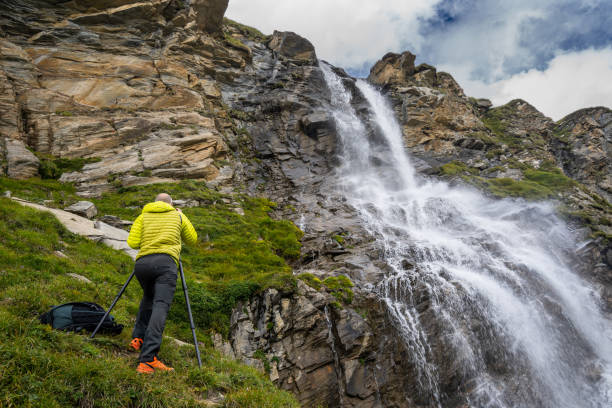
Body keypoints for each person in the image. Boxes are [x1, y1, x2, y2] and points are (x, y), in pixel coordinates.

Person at [126, 192, 198, 374]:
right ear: (171, 204)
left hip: (142, 265)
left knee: (148, 298)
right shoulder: (178, 215)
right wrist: (181, 216)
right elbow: (192, 239)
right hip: (165, 264)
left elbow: (132, 242)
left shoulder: (143, 215)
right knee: (160, 306)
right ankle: (148, 359)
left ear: (154, 202)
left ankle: (137, 339)